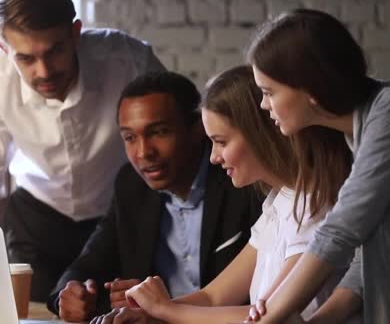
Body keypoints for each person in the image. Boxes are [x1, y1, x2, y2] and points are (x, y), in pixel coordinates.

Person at [247, 8, 390, 324]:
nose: (264, 105)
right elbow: (366, 260)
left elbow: (340, 232)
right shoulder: (360, 134)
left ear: (310, 88)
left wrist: (272, 317)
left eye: (268, 92)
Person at [93, 65, 356, 324]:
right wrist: (149, 314)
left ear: (259, 134)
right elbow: (214, 297)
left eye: (221, 142)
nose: (214, 157)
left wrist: (165, 310)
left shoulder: (315, 207)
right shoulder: (280, 201)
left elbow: (274, 316)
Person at [0, 0, 165, 301]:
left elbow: (180, 134)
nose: (44, 71)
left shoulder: (129, 59)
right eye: (25, 58)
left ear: (75, 33)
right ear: (4, 48)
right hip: (36, 216)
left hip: (115, 215)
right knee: (33, 316)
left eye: (54, 51)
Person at [48, 71, 262, 322]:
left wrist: (158, 308)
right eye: (130, 137)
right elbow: (90, 261)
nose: (143, 152)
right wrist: (71, 295)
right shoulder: (131, 185)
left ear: (197, 128)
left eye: (159, 132)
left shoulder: (244, 180)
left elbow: (257, 299)